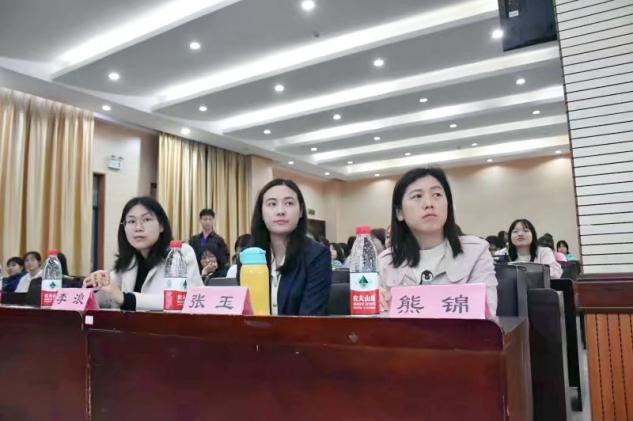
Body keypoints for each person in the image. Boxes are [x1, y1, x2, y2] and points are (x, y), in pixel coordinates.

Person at [378, 167, 498, 315]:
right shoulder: (385, 262)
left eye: (437, 194)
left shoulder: (475, 252)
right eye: (417, 196)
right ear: (399, 212)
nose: (429, 203)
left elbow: (486, 315)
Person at [83, 196, 203, 311]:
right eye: (131, 221)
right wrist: (96, 285)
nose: (138, 228)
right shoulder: (129, 261)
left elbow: (184, 299)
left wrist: (126, 298)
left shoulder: (180, 253)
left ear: (161, 226)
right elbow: (105, 300)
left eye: (146, 220)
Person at [243, 178, 331, 315]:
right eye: (272, 204)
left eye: (289, 203)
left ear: (300, 211)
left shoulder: (317, 255)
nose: (280, 211)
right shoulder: (248, 257)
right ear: (261, 212)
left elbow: (310, 317)